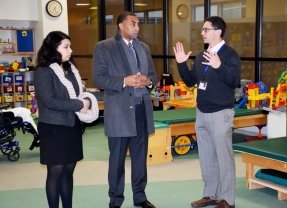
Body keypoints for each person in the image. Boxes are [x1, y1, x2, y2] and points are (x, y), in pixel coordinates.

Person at [93, 12, 158, 208]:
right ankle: (115, 201)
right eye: (133, 24)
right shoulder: (104, 47)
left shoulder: (144, 48)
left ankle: (140, 198)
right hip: (119, 113)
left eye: (138, 24)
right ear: (121, 26)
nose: (137, 27)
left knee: (140, 161)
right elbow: (98, 78)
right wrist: (124, 81)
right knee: (117, 161)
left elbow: (153, 76)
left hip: (141, 110)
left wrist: (148, 82)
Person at [173, 16, 241, 208]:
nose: (202, 33)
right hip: (201, 112)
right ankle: (210, 194)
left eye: (206, 29)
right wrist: (180, 64)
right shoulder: (202, 56)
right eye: (202, 30)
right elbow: (190, 81)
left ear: (218, 31)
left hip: (221, 113)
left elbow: (234, 80)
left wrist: (219, 67)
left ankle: (227, 199)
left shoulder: (230, 55)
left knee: (224, 157)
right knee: (206, 156)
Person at [34, 31, 93, 208]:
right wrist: (78, 104)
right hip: (53, 128)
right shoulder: (43, 71)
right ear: (53, 48)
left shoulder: (69, 70)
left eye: (70, 46)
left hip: (72, 125)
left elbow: (80, 93)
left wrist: (87, 100)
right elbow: (50, 101)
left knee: (68, 171)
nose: (70, 50)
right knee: (55, 173)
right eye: (66, 47)